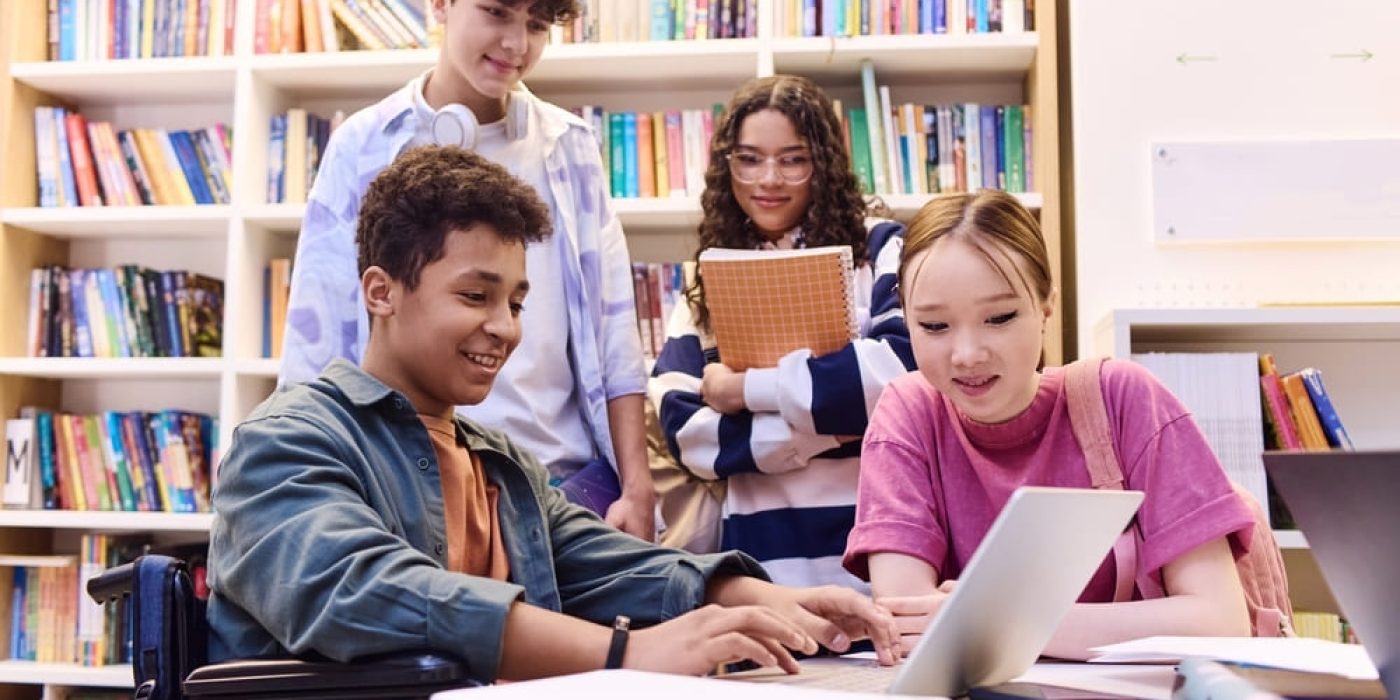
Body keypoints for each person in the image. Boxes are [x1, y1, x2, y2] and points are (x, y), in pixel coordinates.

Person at [207, 146, 898, 681]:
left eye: (515, 302)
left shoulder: (499, 461)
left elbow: (610, 564)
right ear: (382, 293)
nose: (505, 328)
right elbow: (369, 592)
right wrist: (628, 653)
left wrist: (768, 599)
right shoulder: (285, 443)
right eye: (476, 297)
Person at [278, 0, 654, 539]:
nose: (517, 45)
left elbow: (614, 333)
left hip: (559, 489)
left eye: (538, 25)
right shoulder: (362, 146)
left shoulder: (570, 148)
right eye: (497, 13)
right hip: (406, 490)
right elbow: (313, 350)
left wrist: (637, 487)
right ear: (440, 6)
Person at [842, 189, 1254, 660]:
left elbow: (1219, 621)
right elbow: (908, 628)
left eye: (999, 318)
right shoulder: (908, 412)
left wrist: (996, 622)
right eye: (935, 326)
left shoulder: (1124, 399)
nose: (967, 354)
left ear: (1046, 307)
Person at [648, 76, 915, 589]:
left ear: (824, 164)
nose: (769, 179)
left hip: (876, 537)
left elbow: (903, 375)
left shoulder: (881, 248)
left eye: (793, 159)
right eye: (749, 159)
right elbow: (685, 430)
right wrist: (832, 431)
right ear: (728, 166)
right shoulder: (710, 274)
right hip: (760, 557)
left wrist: (740, 392)